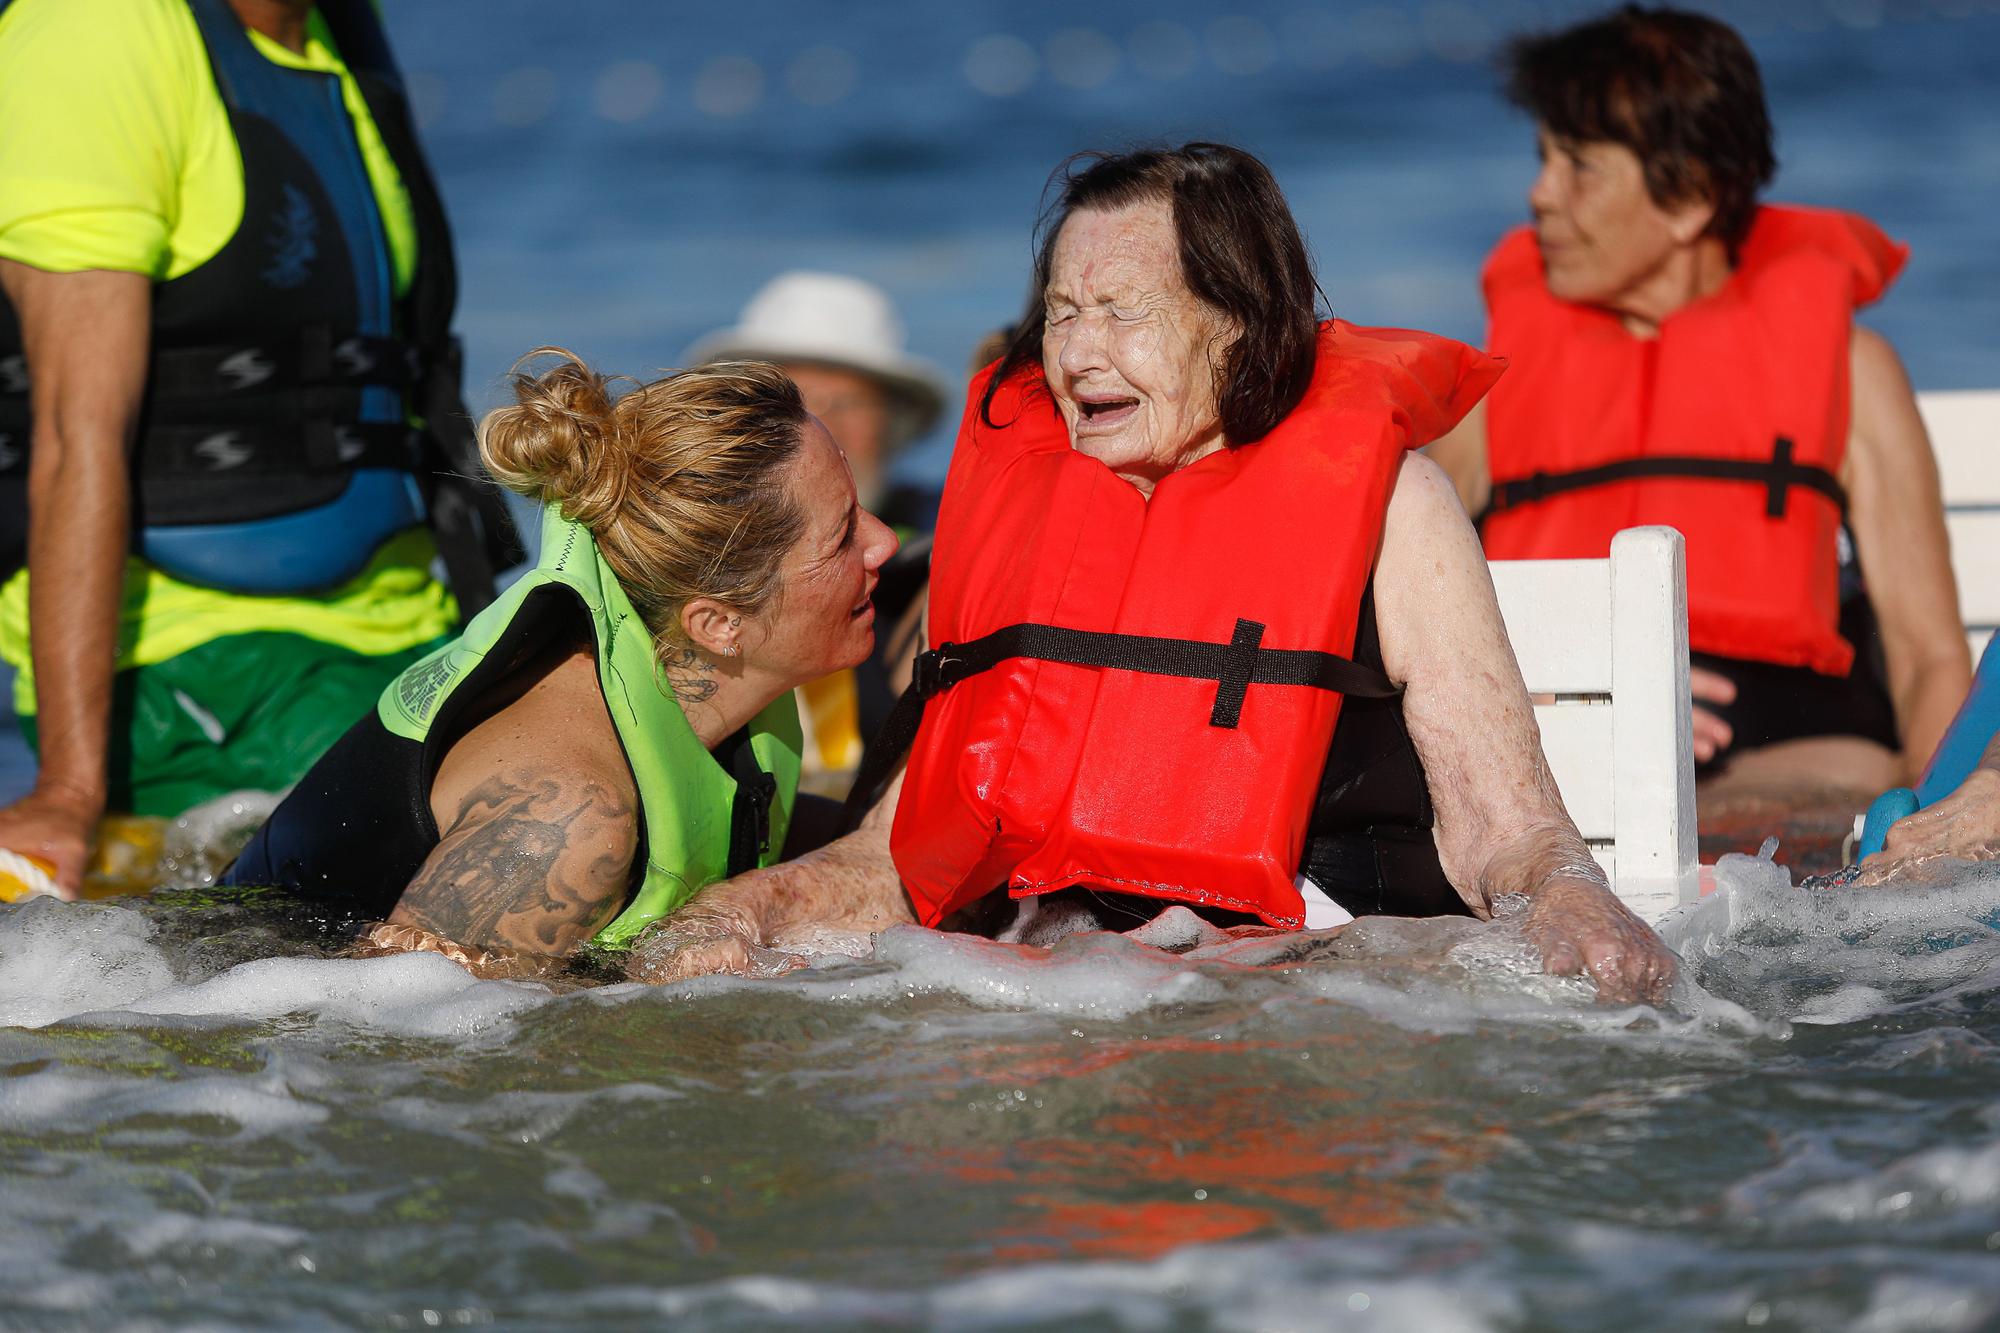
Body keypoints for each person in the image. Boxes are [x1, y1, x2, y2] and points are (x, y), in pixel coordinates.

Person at [626, 143, 1679, 1006]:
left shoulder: (1390, 503)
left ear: (1237, 321)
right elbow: (890, 860)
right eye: (1061, 313)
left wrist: (1567, 896)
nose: (1076, 353)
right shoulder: (1019, 515)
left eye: (1119, 311)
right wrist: (737, 915)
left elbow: (1508, 832)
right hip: (1048, 993)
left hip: (1323, 989)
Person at [0, 0, 519, 896]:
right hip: (196, 654)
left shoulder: (335, 38)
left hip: (405, 624)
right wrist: (68, 791)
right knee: (517, 850)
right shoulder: (98, 32)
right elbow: (71, 439)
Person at [1425, 5, 1969, 813]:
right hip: (1569, 749)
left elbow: (1929, 660)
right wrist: (1580, 693)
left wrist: (1941, 835)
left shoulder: (1853, 370)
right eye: (1543, 159)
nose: (1539, 194)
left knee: (1849, 773)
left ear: (1688, 200)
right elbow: (1402, 604)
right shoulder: (1497, 380)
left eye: (1578, 166)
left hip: (1796, 772)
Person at [223, 351, 898, 977]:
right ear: (718, 622)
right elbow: (386, 1056)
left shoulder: (716, 681)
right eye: (843, 536)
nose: (886, 543)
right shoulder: (560, 824)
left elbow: (731, 828)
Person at [690, 272, 949, 784]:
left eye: (849, 403)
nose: (823, 425)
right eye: (795, 401)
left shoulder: (943, 537)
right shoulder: (683, 548)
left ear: (895, 423)